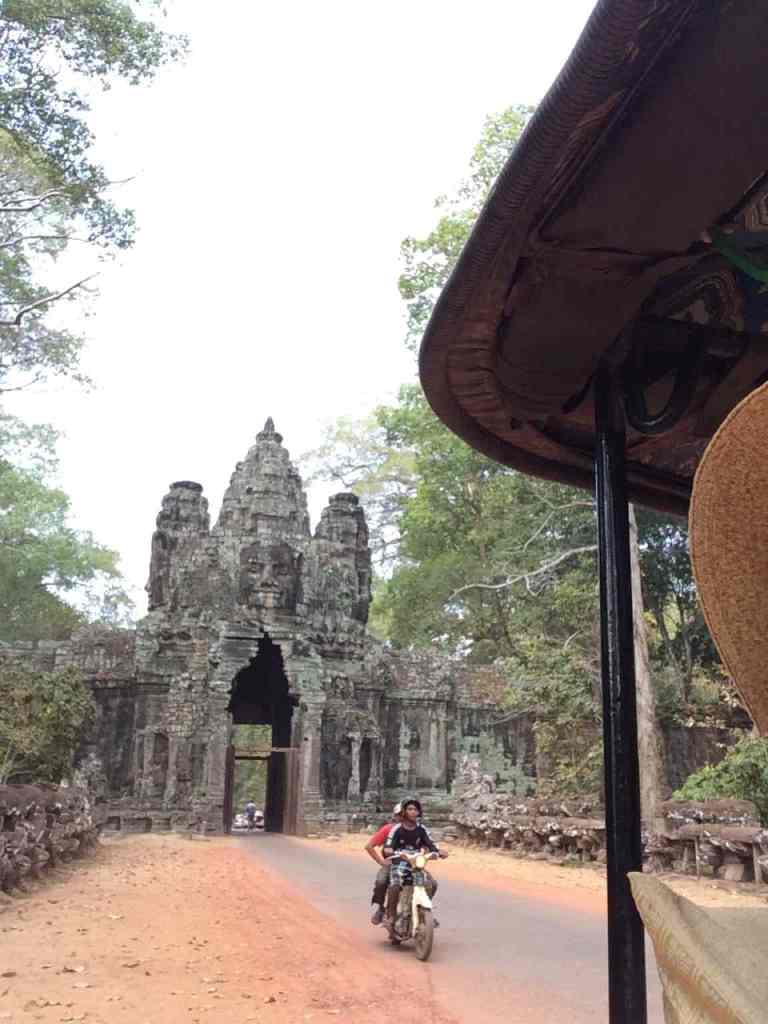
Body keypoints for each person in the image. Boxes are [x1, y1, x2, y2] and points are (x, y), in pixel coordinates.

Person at [383, 798, 446, 925]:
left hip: (416, 863)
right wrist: (388, 849)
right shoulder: (397, 829)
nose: (413, 812)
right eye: (410, 809)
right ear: (404, 812)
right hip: (400, 862)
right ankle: (391, 915)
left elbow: (431, 843)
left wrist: (439, 852)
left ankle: (423, 910)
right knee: (394, 886)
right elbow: (389, 844)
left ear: (419, 812)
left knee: (432, 884)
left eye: (415, 809)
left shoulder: (422, 829)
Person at [365, 802, 402, 925]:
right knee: (381, 881)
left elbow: (428, 845)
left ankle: (424, 909)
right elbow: (369, 846)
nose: (403, 818)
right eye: (400, 815)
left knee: (431, 883)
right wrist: (382, 862)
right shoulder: (388, 829)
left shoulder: (417, 829)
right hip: (392, 864)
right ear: (395, 816)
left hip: (412, 865)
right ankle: (381, 908)